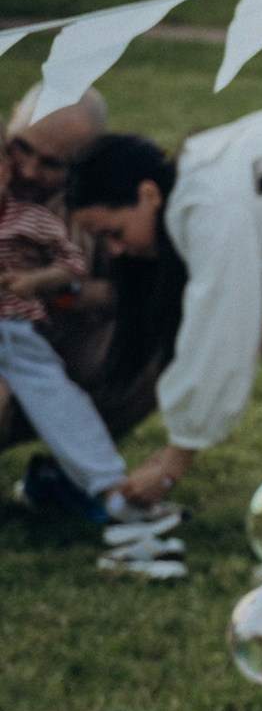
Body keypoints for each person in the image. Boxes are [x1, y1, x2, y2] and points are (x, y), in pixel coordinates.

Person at [61, 104, 262, 527]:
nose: (116, 251)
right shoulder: (197, 179)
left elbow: (219, 333)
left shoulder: (205, 208)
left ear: (148, 194)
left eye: (114, 233)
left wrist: (175, 458)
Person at [0, 97, 183, 578]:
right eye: (20, 148)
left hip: (36, 338)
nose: (27, 170)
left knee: (57, 378)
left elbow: (124, 295)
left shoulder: (88, 205)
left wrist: (51, 288)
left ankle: (100, 486)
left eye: (50, 163)